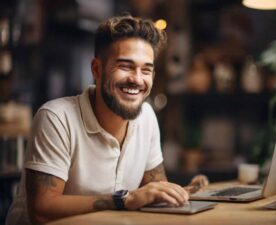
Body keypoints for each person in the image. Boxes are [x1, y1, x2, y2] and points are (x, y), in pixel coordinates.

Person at [6, 14, 208, 225]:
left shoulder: (147, 117)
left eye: (146, 70)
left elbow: (155, 191)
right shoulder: (56, 118)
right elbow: (42, 211)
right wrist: (124, 199)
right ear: (96, 69)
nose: (137, 79)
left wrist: (178, 194)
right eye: (126, 66)